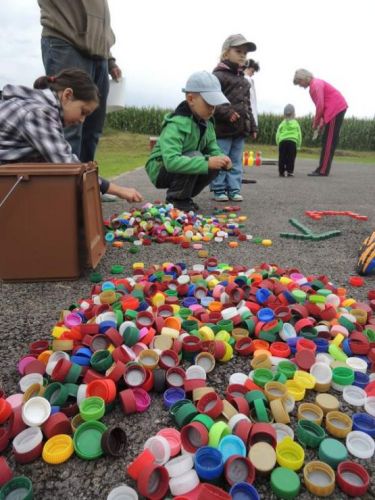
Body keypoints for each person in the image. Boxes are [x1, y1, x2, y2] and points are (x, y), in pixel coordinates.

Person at [37, 1, 140, 201]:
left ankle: (87, 186)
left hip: (99, 51)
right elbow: (61, 155)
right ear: (66, 94)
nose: (82, 117)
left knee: (92, 128)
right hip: (65, 37)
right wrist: (115, 188)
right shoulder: (35, 116)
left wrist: (109, 59)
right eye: (82, 111)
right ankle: (66, 194)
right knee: (70, 129)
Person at [0, 68, 141, 202]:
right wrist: (118, 190)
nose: (82, 120)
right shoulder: (39, 114)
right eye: (83, 111)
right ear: (67, 95)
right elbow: (68, 165)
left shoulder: (37, 108)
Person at [145, 71, 232, 212]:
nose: (212, 109)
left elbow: (212, 147)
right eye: (209, 103)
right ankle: (176, 199)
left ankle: (184, 196)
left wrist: (221, 158)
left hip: (184, 162)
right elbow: (171, 161)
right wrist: (207, 161)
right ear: (191, 99)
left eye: (215, 105)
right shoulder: (176, 124)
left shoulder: (208, 124)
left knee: (213, 164)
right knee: (197, 157)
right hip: (161, 168)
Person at [210, 34, 258, 202]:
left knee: (237, 160)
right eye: (238, 51)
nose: (243, 55)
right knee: (223, 159)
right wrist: (227, 112)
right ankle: (219, 188)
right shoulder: (217, 76)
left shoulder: (244, 81)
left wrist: (252, 125)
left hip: (239, 129)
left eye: (245, 53)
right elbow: (212, 101)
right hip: (222, 129)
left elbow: (247, 106)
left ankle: (234, 189)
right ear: (225, 53)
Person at [293, 69, 348, 177]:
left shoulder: (315, 85)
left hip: (335, 110)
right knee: (327, 140)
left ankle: (322, 170)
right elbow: (323, 107)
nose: (300, 85)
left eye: (299, 82)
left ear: (304, 78)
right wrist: (321, 123)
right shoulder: (316, 84)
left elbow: (320, 106)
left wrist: (315, 123)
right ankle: (323, 169)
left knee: (328, 142)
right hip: (334, 110)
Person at [276, 104, 302, 177]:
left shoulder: (282, 123)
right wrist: (298, 145)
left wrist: (278, 142)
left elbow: (278, 133)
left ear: (284, 114)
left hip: (282, 142)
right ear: (294, 114)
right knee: (291, 158)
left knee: (281, 157)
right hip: (292, 142)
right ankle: (290, 171)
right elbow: (299, 134)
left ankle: (281, 172)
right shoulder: (296, 123)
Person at [244, 59, 260, 126]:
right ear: (246, 68)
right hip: (247, 118)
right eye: (252, 71)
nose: (253, 74)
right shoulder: (248, 80)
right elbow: (251, 102)